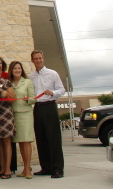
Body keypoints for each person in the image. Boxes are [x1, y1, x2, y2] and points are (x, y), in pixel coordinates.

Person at [30, 50, 65, 179]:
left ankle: (57, 168)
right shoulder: (31, 77)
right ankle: (46, 167)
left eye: (40, 58)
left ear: (43, 59)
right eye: (35, 59)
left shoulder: (52, 74)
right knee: (41, 138)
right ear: (32, 61)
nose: (38, 60)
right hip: (38, 108)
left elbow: (62, 90)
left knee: (53, 138)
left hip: (50, 106)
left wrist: (52, 93)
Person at [8, 60, 36, 179]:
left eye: (19, 68)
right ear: (11, 70)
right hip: (14, 114)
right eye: (15, 68)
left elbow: (34, 98)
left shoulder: (27, 82)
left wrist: (28, 99)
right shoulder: (9, 83)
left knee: (26, 141)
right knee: (20, 142)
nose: (17, 70)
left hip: (25, 114)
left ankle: (28, 167)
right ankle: (25, 168)